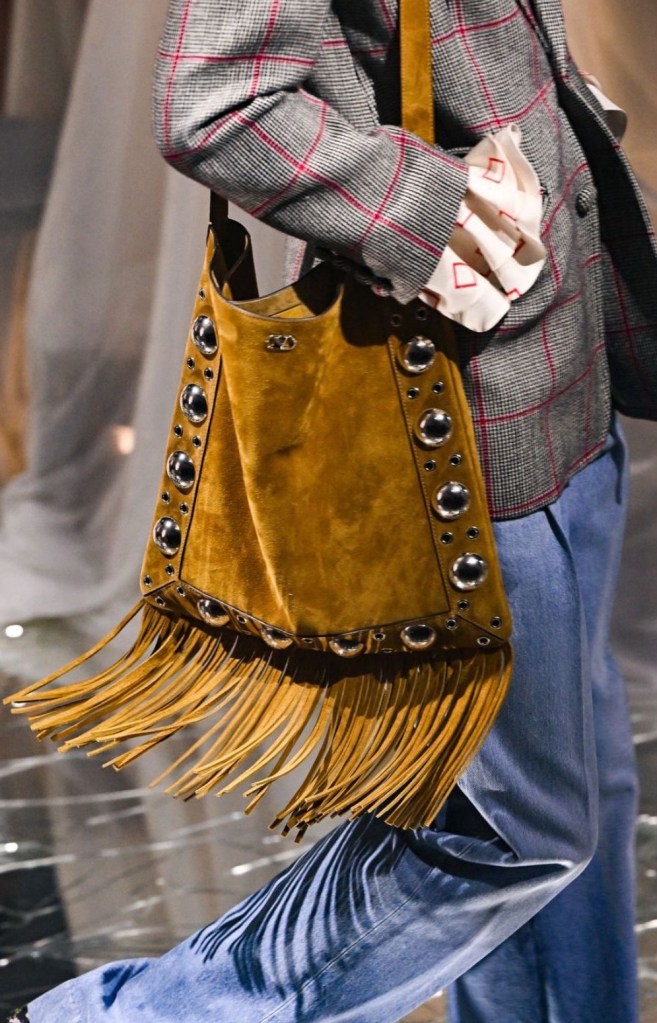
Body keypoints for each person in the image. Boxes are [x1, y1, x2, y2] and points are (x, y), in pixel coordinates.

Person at [11, 0, 657, 1020]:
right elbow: (215, 101)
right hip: (460, 404)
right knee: (509, 832)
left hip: (564, 366)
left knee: (584, 790)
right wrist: (438, 208)